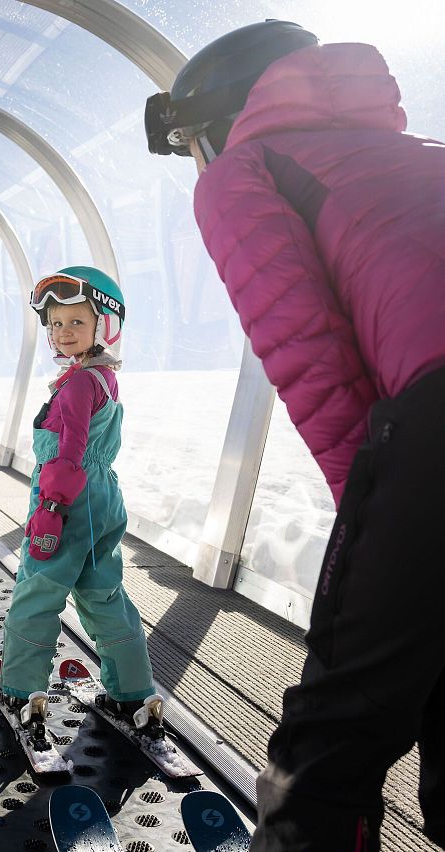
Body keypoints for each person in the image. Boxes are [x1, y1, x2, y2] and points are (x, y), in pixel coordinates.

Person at [145, 19, 445, 851]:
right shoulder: (423, 154)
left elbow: (311, 359)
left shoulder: (245, 169)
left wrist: (373, 539)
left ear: (220, 121)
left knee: (334, 735)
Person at [0, 266, 163, 743]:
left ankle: (22, 691)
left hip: (66, 502)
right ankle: (133, 692)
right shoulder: (103, 377)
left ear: (103, 327)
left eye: (76, 322)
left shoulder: (75, 386)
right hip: (103, 500)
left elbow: (69, 451)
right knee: (103, 593)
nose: (63, 332)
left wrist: (50, 506)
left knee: (38, 591)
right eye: (55, 324)